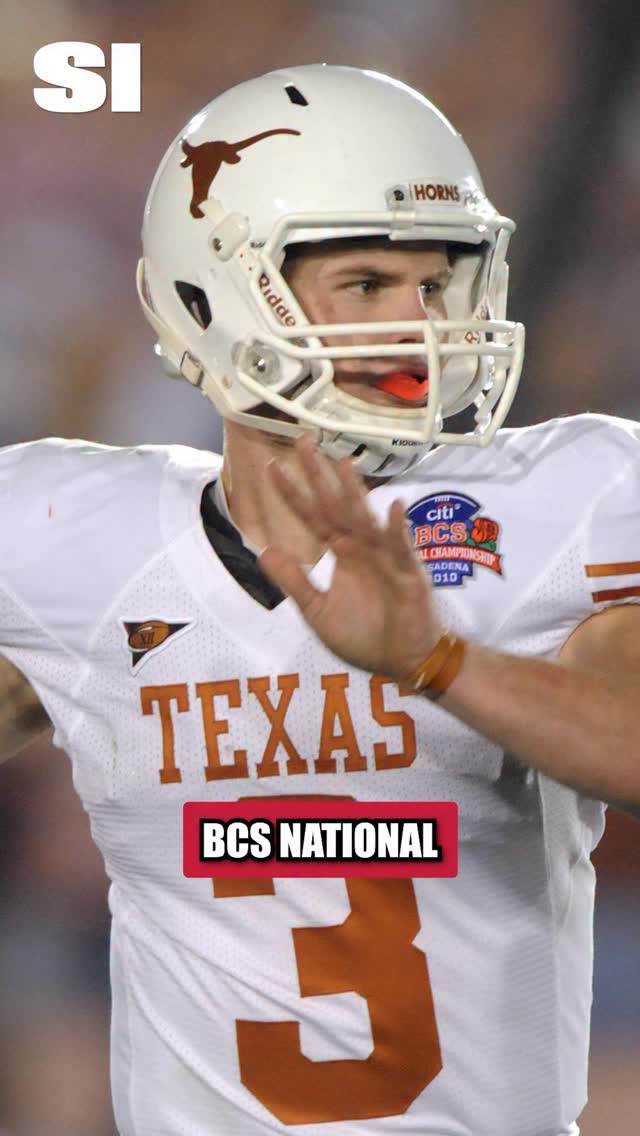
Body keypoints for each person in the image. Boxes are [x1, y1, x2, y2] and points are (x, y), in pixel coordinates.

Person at [1, 63, 639, 1136]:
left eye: (436, 284)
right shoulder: (74, 541)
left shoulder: (560, 505)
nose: (416, 323)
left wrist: (440, 663)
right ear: (212, 294)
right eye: (367, 283)